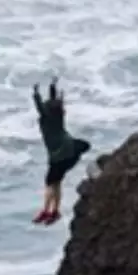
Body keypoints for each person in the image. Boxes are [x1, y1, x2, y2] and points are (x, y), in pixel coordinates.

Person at [32, 78, 91, 226]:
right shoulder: (58, 115)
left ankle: (46, 211)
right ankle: (55, 211)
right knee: (57, 182)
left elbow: (40, 107)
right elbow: (52, 102)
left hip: (58, 157)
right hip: (71, 150)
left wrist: (36, 94)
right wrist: (52, 86)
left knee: (50, 183)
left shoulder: (46, 118)